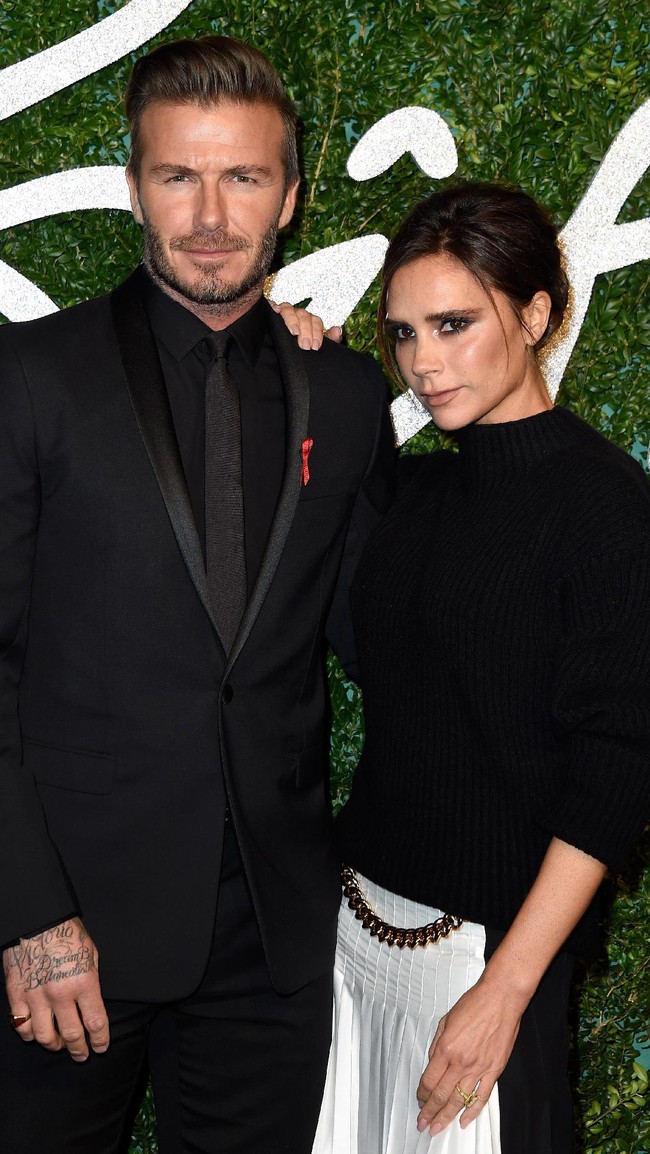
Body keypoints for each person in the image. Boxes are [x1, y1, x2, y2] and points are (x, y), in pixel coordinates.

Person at [0, 35, 394, 1154]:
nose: (210, 213)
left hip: (269, 940)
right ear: (134, 186)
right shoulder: (30, 378)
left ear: (291, 196)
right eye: (179, 175)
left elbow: (389, 635)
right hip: (65, 930)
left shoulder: (347, 393)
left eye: (244, 176)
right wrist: (27, 914)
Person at [286, 182, 650, 1153]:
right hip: (359, 934)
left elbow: (615, 768)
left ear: (533, 313)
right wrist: (289, 359)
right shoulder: (417, 490)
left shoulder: (607, 505)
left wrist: (507, 987)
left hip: (489, 960)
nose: (423, 363)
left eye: (452, 323)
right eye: (402, 333)